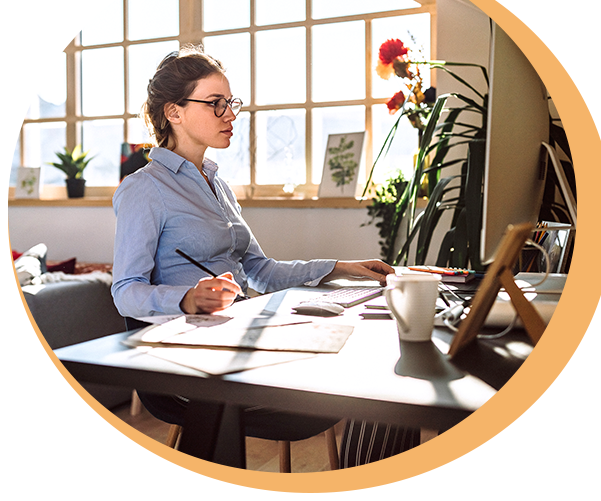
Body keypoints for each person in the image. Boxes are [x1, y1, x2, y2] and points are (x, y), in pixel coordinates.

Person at [111, 44, 418, 468]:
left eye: (230, 103)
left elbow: (261, 269)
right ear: (174, 112)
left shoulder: (217, 184)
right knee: (372, 376)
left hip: (238, 338)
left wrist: (341, 267)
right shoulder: (143, 189)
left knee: (382, 358)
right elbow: (125, 291)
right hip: (188, 364)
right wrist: (185, 299)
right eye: (215, 104)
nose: (230, 115)